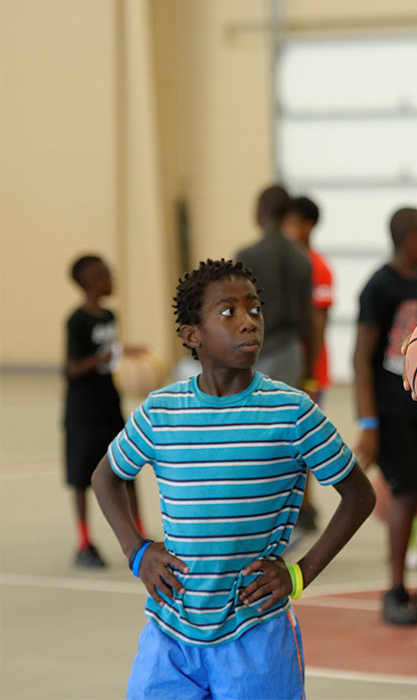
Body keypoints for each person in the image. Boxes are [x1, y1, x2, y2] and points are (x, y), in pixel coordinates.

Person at [91, 258, 375, 699]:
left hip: (255, 631)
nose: (249, 322)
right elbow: (106, 477)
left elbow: (359, 495)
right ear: (192, 336)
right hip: (170, 632)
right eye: (229, 312)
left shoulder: (291, 411)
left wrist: (300, 574)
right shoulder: (161, 412)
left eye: (255, 309)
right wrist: (136, 551)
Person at [353, 208, 417, 626]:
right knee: (406, 494)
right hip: (391, 413)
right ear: (410, 238)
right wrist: (368, 423)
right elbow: (360, 357)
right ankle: (396, 589)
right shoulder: (381, 285)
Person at [64, 254, 144, 568]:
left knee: (127, 469)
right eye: (105, 274)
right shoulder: (77, 320)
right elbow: (71, 367)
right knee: (81, 477)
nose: (113, 278)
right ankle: (84, 543)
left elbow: (112, 356)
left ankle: (139, 536)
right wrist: (106, 356)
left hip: (109, 403)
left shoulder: (110, 315)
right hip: (82, 410)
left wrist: (130, 357)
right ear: (89, 282)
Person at [282, 195, 334, 537]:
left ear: (308, 225)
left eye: (292, 223)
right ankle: (304, 505)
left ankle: (305, 506)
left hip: (311, 371)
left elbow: (320, 322)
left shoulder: (317, 267)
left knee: (303, 443)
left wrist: (310, 375)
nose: (287, 230)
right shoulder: (286, 264)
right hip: (285, 366)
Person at [235, 185, 314, 389]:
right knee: (286, 417)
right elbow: (309, 318)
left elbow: (235, 311)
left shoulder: (246, 256)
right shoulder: (301, 258)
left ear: (259, 211)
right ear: (288, 214)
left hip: (253, 352)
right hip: (290, 353)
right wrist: (310, 368)